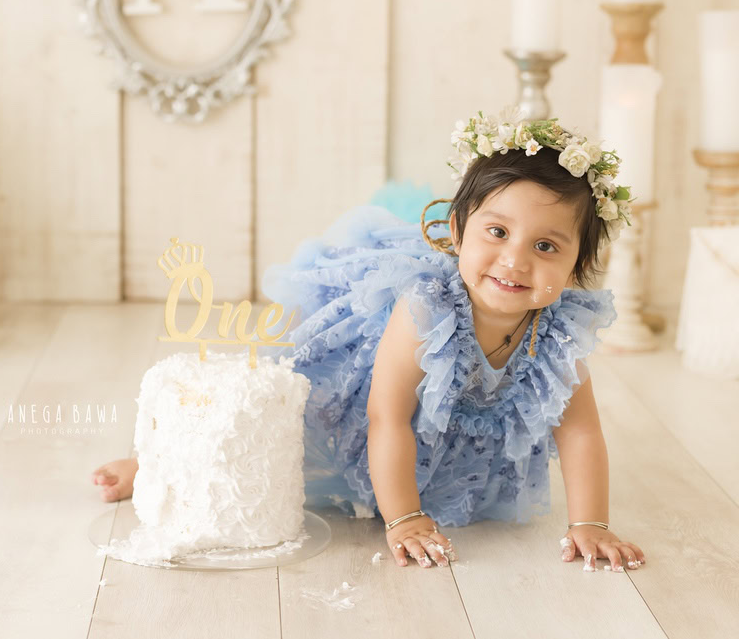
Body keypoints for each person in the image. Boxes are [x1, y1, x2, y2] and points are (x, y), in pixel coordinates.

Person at [92, 111, 647, 573]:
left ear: (578, 267)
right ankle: (158, 463)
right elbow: (389, 418)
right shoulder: (425, 309)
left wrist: (590, 523)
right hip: (364, 403)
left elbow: (579, 429)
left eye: (547, 246)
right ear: (457, 232)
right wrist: (404, 516)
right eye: (497, 232)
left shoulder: (557, 331)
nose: (515, 259)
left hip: (440, 432)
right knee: (282, 438)